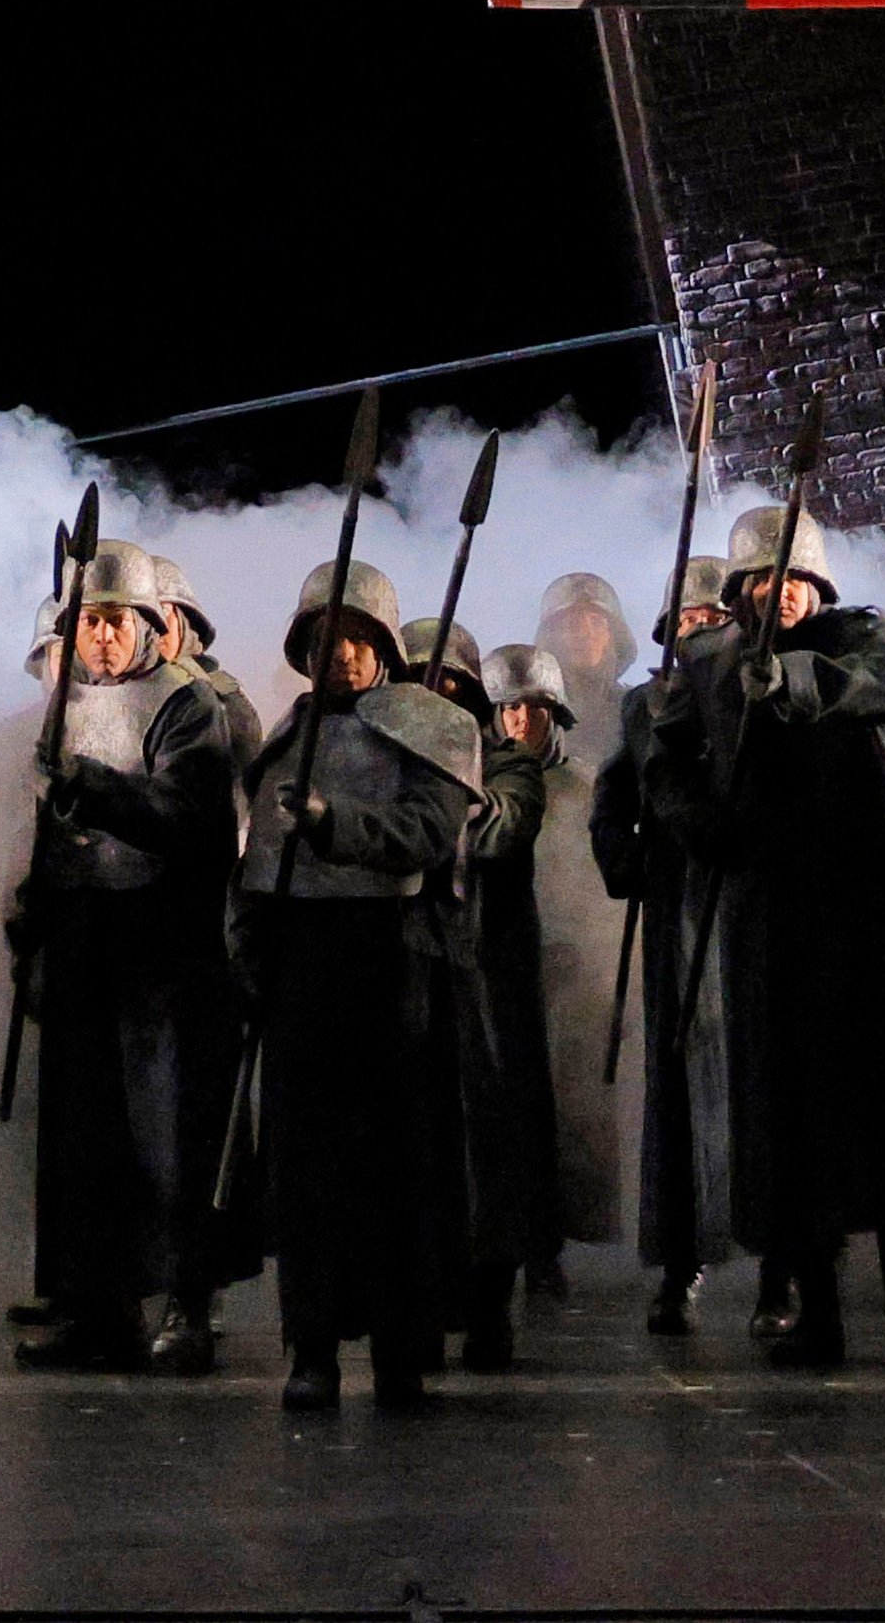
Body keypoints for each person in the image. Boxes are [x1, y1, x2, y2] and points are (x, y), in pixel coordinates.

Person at [602, 507, 885, 1369]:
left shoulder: (859, 635)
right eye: (763, 578)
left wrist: (795, 678)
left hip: (862, 906)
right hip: (770, 910)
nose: (781, 590)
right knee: (791, 1115)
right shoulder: (707, 661)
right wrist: (704, 824)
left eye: (794, 576)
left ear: (817, 583)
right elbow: (663, 760)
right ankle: (820, 1311)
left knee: (884, 1105)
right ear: (741, 591)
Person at [236, 559, 490, 1413]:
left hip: (395, 962)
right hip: (304, 965)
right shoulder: (287, 739)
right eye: (324, 637)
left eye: (356, 636)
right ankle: (312, 1345)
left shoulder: (432, 728)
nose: (340, 652)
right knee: (306, 1169)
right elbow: (256, 865)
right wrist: (250, 952)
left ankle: (401, 1351)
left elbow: (425, 831)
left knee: (398, 1168)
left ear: (381, 645)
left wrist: (332, 822)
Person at [10, 538, 247, 1375]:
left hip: (164, 943)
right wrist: (33, 915)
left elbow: (188, 816)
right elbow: (45, 831)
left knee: (169, 1132)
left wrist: (91, 785)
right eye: (89, 621)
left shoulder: (187, 703)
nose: (103, 636)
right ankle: (96, 1305)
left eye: (116, 620)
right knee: (84, 1133)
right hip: (85, 935)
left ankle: (187, 1302)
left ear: (148, 623)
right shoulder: (63, 702)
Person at [456, 629, 571, 1363]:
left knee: (524, 1113)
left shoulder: (525, 778)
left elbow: (507, 830)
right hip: (471, 963)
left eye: (536, 707)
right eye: (511, 707)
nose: (523, 719)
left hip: (527, 965)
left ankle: (537, 1248)